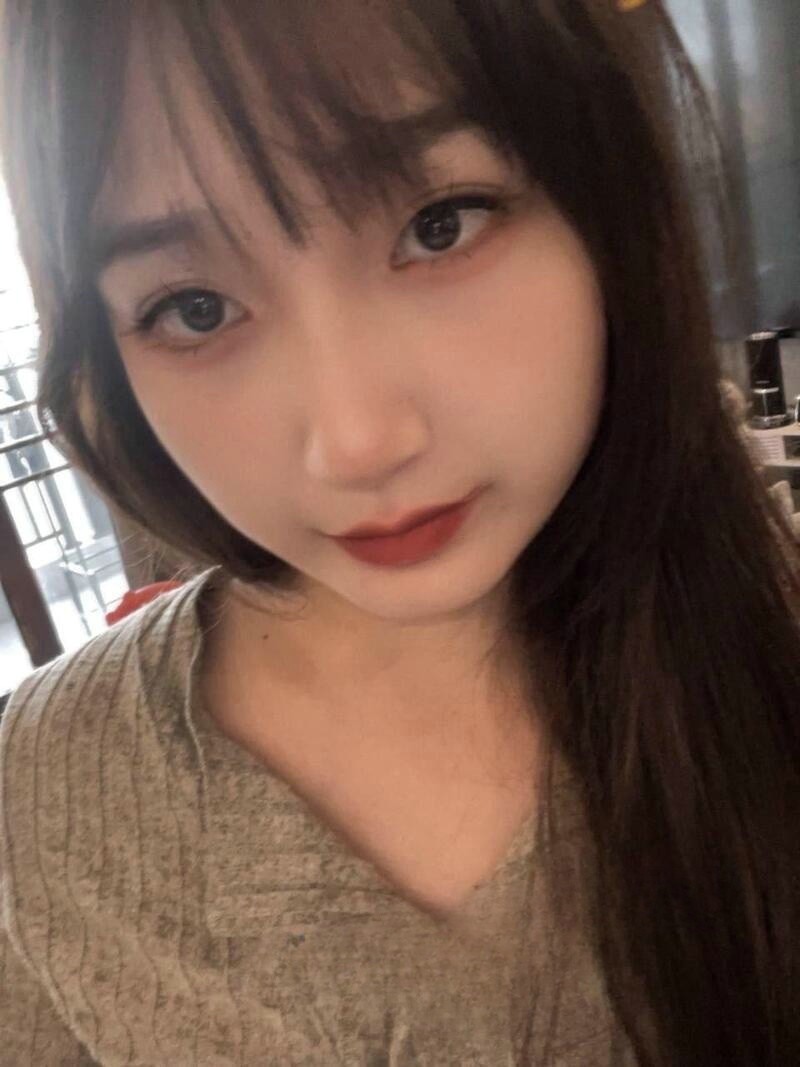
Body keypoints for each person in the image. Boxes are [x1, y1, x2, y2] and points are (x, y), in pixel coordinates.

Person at [0, 1, 798, 1063]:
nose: (356, 442)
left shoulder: (769, 621)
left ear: (604, 199)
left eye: (440, 223)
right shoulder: (40, 809)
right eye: (193, 308)